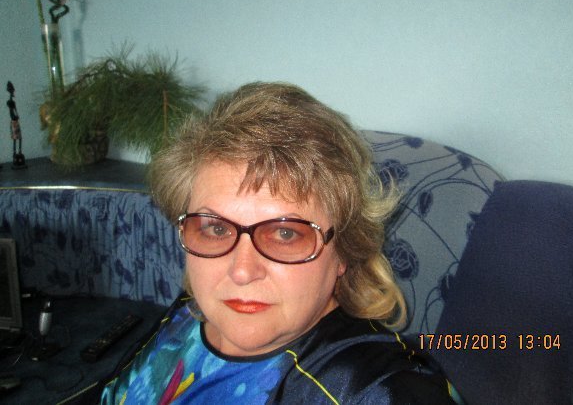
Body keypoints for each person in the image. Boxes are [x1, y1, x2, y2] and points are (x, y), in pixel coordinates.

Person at [100, 82, 458, 404]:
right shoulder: (191, 310)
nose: (241, 272)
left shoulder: (377, 389)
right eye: (215, 228)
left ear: (344, 251)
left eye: (286, 233)